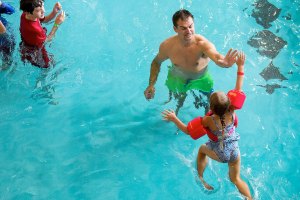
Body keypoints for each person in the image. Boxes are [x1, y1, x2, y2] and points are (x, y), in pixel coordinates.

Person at [162, 52, 252, 199]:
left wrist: (174, 118)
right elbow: (238, 87)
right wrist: (240, 66)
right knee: (236, 179)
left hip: (221, 153)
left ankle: (202, 178)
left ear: (211, 107)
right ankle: (251, 198)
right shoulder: (232, 110)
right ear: (229, 104)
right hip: (235, 150)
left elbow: (188, 130)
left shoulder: (208, 120)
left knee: (202, 149)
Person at [144, 9, 238, 114]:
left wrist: (225, 63)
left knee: (210, 107)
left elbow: (217, 57)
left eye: (190, 26)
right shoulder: (167, 46)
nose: (189, 31)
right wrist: (151, 84)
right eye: (183, 28)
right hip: (178, 78)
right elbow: (156, 62)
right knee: (178, 104)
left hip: (201, 79)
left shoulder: (202, 44)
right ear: (175, 29)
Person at [19, 0, 65, 68]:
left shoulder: (25, 15)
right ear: (27, 12)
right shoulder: (35, 30)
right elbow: (48, 39)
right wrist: (57, 24)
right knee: (49, 66)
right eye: (38, 10)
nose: (44, 11)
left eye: (43, 6)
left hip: (26, 44)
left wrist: (54, 12)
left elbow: (44, 19)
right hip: (36, 51)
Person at [0, 1, 15, 68]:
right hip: (4, 37)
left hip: (6, 36)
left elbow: (11, 11)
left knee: (8, 59)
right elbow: (3, 31)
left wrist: (2, 4)